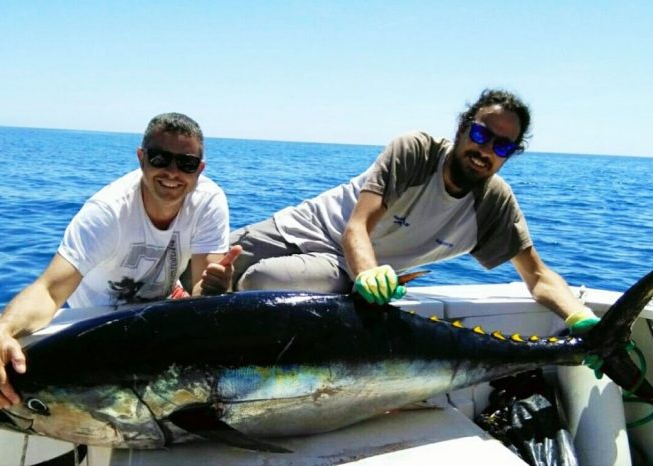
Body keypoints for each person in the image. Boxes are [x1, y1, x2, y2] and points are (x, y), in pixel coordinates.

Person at [230, 89, 599, 332]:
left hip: (341, 266)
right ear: (462, 128)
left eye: (501, 147)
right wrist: (370, 274)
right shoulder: (416, 151)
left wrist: (581, 318)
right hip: (299, 227)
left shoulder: (494, 205)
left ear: (511, 155)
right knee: (200, 268)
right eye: (482, 135)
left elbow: (537, 276)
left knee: (260, 284)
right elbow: (356, 227)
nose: (485, 150)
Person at [0, 112, 241, 409]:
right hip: (99, 327)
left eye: (185, 163)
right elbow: (49, 290)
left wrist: (215, 287)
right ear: (141, 158)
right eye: (160, 158)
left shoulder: (209, 201)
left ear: (199, 169)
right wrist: (1, 331)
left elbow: (202, 295)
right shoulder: (107, 211)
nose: (173, 173)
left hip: (160, 316)